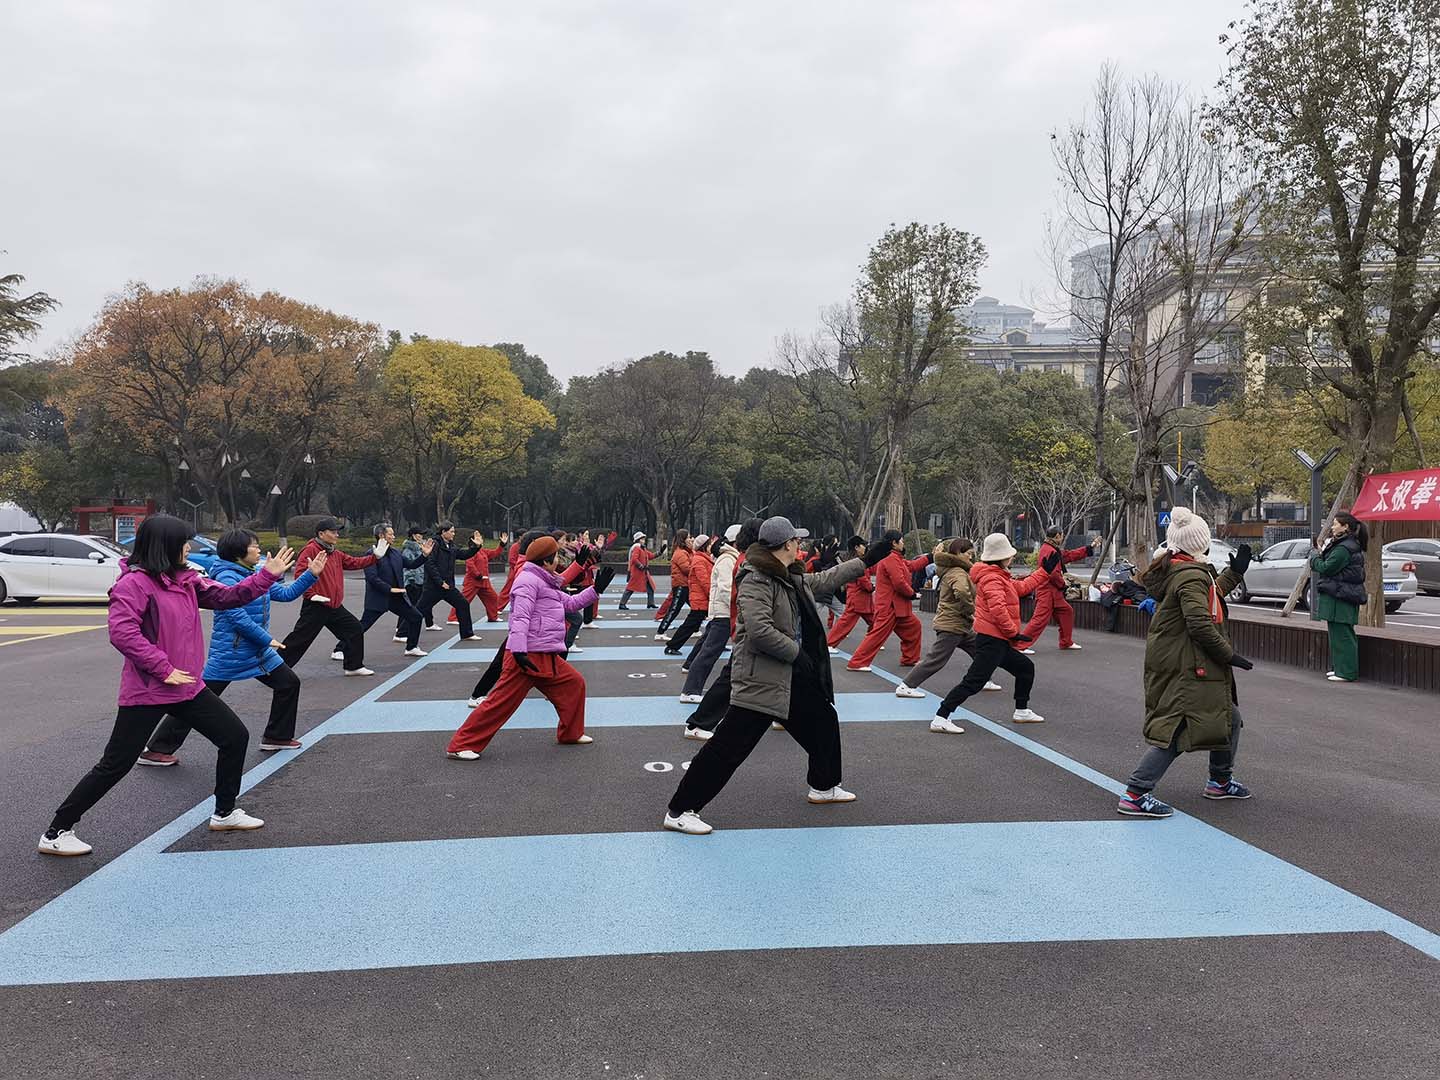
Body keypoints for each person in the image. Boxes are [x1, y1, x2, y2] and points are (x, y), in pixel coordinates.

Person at [39, 515, 296, 855]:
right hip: (149, 688)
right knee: (115, 764)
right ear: (166, 546)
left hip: (186, 685)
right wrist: (163, 668)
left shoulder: (187, 580)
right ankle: (57, 832)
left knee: (234, 736)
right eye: (184, 542)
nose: (189, 547)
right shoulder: (134, 584)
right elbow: (123, 632)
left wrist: (266, 576)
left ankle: (224, 812)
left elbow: (229, 597)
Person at [663, 516, 866, 835]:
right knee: (729, 747)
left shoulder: (789, 576)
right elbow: (759, 631)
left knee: (824, 720)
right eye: (797, 541)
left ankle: (824, 786)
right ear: (786, 545)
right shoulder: (756, 577)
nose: (801, 545)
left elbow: (824, 580)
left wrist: (865, 561)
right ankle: (680, 810)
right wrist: (797, 653)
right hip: (762, 678)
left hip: (787, 677)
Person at [140, 529, 324, 766]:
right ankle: (156, 749)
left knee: (288, 683)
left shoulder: (256, 572)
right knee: (193, 700)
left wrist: (311, 574)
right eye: (254, 546)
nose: (258, 550)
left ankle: (277, 736)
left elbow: (285, 594)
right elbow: (235, 615)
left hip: (258, 653)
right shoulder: (226, 577)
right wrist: (265, 638)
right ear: (238, 552)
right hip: (231, 654)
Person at [1116, 507, 1254, 818]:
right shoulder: (1191, 575)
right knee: (1178, 727)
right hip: (1187, 662)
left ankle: (1220, 780)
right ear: (1200, 543)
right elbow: (1200, 624)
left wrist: (1235, 573)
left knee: (1227, 716)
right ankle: (1135, 793)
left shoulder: (1181, 569)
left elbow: (1210, 594)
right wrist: (1229, 655)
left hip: (1180, 658)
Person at [446, 537, 616, 759]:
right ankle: (460, 745)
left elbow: (570, 604)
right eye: (556, 556)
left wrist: (596, 590)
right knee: (500, 703)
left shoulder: (544, 580)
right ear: (545, 562)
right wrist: (518, 651)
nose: (558, 560)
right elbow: (520, 617)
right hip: (525, 655)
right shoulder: (527, 580)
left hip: (544, 652)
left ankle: (570, 734)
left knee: (574, 684)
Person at [930, 533, 1050, 734]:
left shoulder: (997, 575)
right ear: (1001, 556)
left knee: (1025, 668)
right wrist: (1013, 633)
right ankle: (941, 717)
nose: (1012, 557)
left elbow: (1020, 588)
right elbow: (998, 610)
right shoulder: (992, 578)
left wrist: (1043, 572)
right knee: (973, 682)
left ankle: (1021, 710)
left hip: (998, 640)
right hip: (992, 640)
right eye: (1009, 554)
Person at [894, 538, 1003, 699]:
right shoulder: (957, 571)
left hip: (960, 624)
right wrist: (971, 611)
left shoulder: (954, 569)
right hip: (952, 625)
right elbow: (962, 592)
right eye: (969, 554)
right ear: (959, 553)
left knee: (981, 651)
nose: (971, 558)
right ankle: (906, 685)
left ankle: (984, 678)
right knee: (936, 659)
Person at [281, 517, 379, 676]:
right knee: (299, 640)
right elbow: (300, 574)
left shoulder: (335, 552)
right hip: (316, 604)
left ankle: (353, 666)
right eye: (333, 532)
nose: (337, 535)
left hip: (333, 605)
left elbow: (354, 562)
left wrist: (375, 557)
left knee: (354, 629)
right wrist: (310, 594)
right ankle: (275, 670)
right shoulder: (311, 550)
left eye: (337, 532)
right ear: (321, 533)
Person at [845, 530, 933, 672]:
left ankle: (910, 659)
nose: (903, 543)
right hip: (890, 607)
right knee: (877, 635)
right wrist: (912, 594)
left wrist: (929, 557)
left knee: (913, 627)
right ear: (894, 543)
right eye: (902, 540)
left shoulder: (895, 557)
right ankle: (856, 662)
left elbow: (910, 566)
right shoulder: (891, 558)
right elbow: (899, 582)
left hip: (897, 607)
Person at [676, 529, 740, 704]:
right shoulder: (728, 560)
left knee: (707, 648)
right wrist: (739, 607)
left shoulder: (729, 558)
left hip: (722, 611)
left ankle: (690, 680)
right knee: (710, 651)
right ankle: (690, 690)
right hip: (724, 612)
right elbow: (726, 588)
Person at [1019, 526, 1102, 653]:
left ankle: (1066, 642)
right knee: (1039, 620)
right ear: (1057, 535)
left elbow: (1068, 555)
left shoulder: (1050, 548)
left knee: (1066, 612)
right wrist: (1063, 584)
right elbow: (1053, 573)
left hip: (1052, 591)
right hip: (1048, 591)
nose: (1062, 537)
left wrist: (1089, 548)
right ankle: (1020, 645)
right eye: (1061, 535)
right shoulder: (1050, 550)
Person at [1310, 511, 1367, 683]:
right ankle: (1340, 669)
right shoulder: (1345, 544)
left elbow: (1327, 567)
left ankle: (1346, 672)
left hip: (1341, 596)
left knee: (1343, 636)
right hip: (1339, 593)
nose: (1332, 526)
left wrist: (1314, 558)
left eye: (1335, 523)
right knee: (1337, 635)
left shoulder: (1344, 548)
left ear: (1345, 527)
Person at [359, 523, 428, 656]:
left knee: (416, 617)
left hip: (397, 597)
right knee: (363, 626)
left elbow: (412, 564)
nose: (394, 536)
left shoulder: (395, 553)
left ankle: (411, 647)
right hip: (379, 597)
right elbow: (372, 578)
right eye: (390, 534)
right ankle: (340, 649)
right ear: (381, 535)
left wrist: (424, 555)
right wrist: (390, 589)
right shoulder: (371, 554)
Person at [419, 522, 484, 639]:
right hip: (434, 586)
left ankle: (467, 634)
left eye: (454, 531)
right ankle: (402, 633)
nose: (454, 534)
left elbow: (463, 554)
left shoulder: (451, 545)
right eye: (452, 531)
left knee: (463, 604)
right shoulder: (434, 544)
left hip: (448, 586)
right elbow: (430, 564)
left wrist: (476, 547)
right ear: (443, 532)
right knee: (419, 610)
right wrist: (440, 582)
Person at [664, 532, 717, 655]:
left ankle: (716, 642)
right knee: (690, 625)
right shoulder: (699, 560)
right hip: (700, 599)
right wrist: (712, 595)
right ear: (704, 546)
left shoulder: (703, 558)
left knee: (706, 624)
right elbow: (704, 582)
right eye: (709, 545)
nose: (711, 547)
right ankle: (672, 646)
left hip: (700, 598)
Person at [451, 531, 510, 624]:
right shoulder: (471, 551)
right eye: (478, 537)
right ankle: (452, 618)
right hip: (473, 581)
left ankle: (492, 617)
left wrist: (502, 544)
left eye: (480, 537)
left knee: (493, 597)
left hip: (483, 581)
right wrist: (478, 575)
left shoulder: (483, 551)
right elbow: (470, 564)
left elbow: (495, 553)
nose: (481, 538)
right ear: (472, 540)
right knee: (463, 600)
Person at [825, 536, 874, 647]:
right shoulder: (857, 561)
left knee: (874, 622)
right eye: (863, 545)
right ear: (856, 547)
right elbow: (862, 578)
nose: (865, 548)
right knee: (844, 625)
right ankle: (829, 644)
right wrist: (870, 587)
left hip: (860, 598)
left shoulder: (856, 559)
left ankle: (872, 641)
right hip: (858, 598)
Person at [654, 530, 692, 638]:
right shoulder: (680, 553)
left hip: (684, 585)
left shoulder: (684, 552)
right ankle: (660, 632)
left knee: (696, 609)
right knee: (674, 610)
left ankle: (695, 628)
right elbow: (686, 569)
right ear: (683, 539)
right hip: (681, 586)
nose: (690, 539)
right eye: (688, 537)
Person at [398, 526, 434, 636]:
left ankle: (430, 623)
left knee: (420, 604)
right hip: (412, 582)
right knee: (411, 606)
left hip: (421, 580)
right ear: (413, 535)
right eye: (419, 534)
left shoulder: (420, 546)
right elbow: (408, 567)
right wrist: (411, 581)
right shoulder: (408, 549)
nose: (421, 536)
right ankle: (400, 629)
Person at [619, 532, 656, 610]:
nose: (644, 540)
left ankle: (651, 603)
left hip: (643, 572)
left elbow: (650, 556)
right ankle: (622, 604)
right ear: (638, 540)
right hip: (637, 572)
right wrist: (640, 566)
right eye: (642, 539)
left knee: (650, 587)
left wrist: (660, 553)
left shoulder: (642, 548)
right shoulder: (637, 548)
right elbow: (634, 559)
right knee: (630, 588)